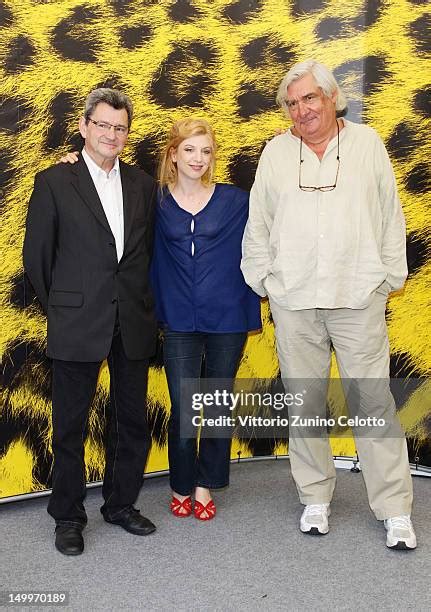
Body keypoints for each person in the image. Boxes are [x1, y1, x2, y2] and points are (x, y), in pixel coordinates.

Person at [241, 60, 416, 549]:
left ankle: (395, 509)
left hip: (357, 295)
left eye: (309, 98)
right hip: (294, 299)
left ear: (332, 98)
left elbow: (389, 215)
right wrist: (263, 279)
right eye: (292, 103)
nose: (301, 110)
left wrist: (386, 279)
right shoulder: (275, 153)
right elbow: (259, 222)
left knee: (372, 403)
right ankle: (314, 497)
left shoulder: (368, 145)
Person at [23, 88, 157, 555]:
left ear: (126, 133)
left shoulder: (143, 184)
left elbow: (147, 254)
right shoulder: (55, 181)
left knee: (131, 422)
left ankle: (120, 506)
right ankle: (67, 516)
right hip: (77, 321)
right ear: (84, 127)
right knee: (70, 427)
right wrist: (64, 307)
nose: (111, 134)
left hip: (132, 320)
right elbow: (37, 258)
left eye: (119, 127)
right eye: (102, 125)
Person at [152, 118, 261, 520]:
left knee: (216, 402)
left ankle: (204, 485)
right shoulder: (156, 200)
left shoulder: (237, 201)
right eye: (190, 150)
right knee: (184, 405)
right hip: (178, 320)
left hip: (227, 318)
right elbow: (108, 192)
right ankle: (180, 483)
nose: (198, 158)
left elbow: (275, 218)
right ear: (173, 154)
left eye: (206, 151)